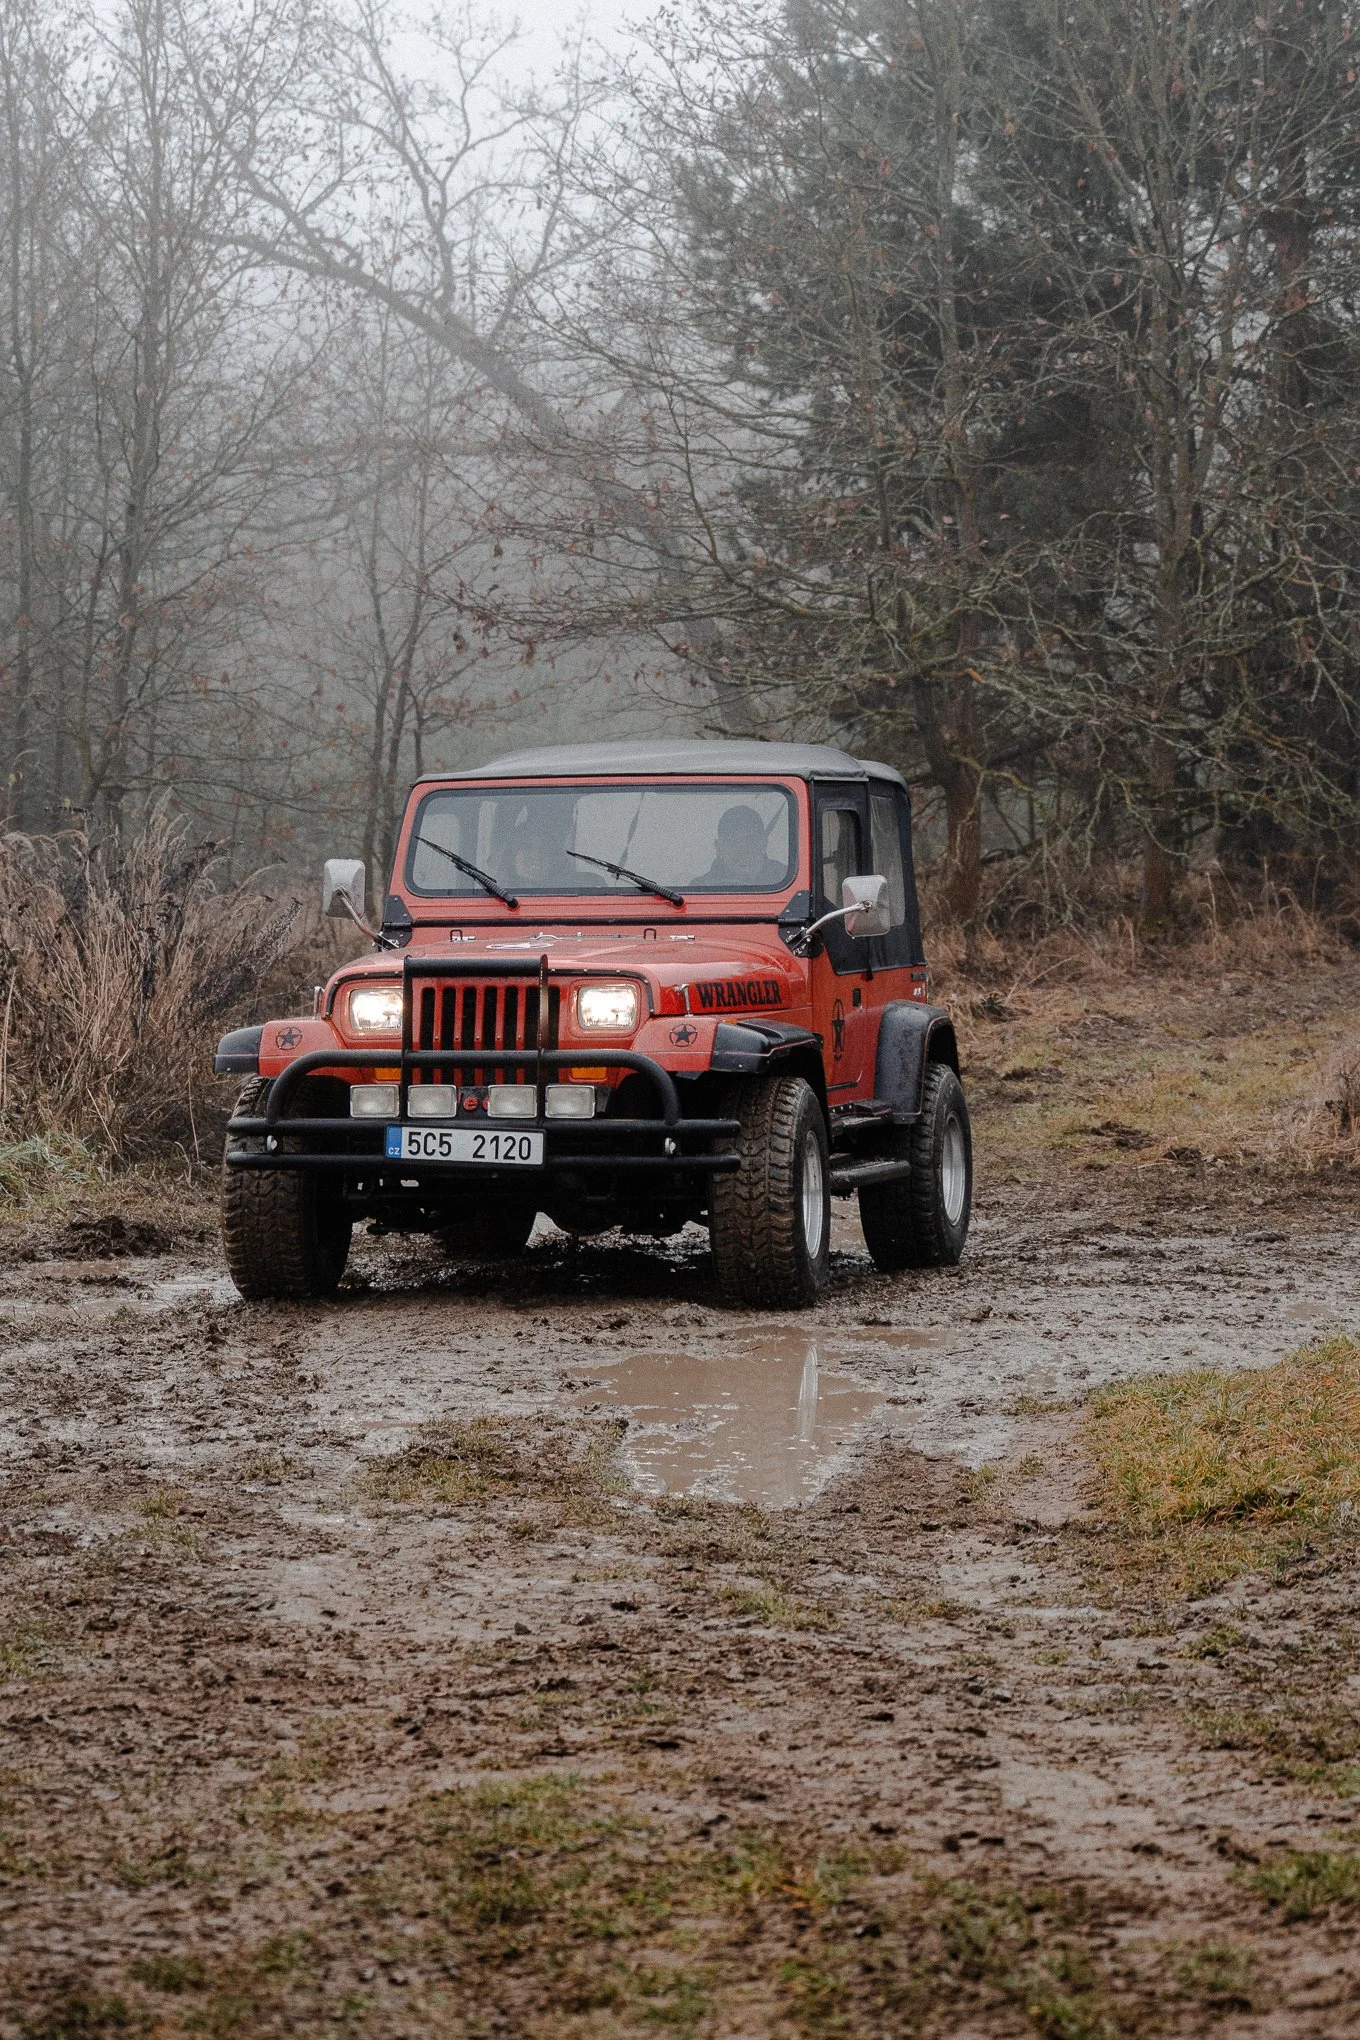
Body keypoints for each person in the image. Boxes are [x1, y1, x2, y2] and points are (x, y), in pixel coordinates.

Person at [694, 804, 788, 888]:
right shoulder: (699, 888)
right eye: (733, 842)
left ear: (764, 844)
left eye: (751, 841)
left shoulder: (788, 880)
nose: (743, 851)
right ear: (719, 848)